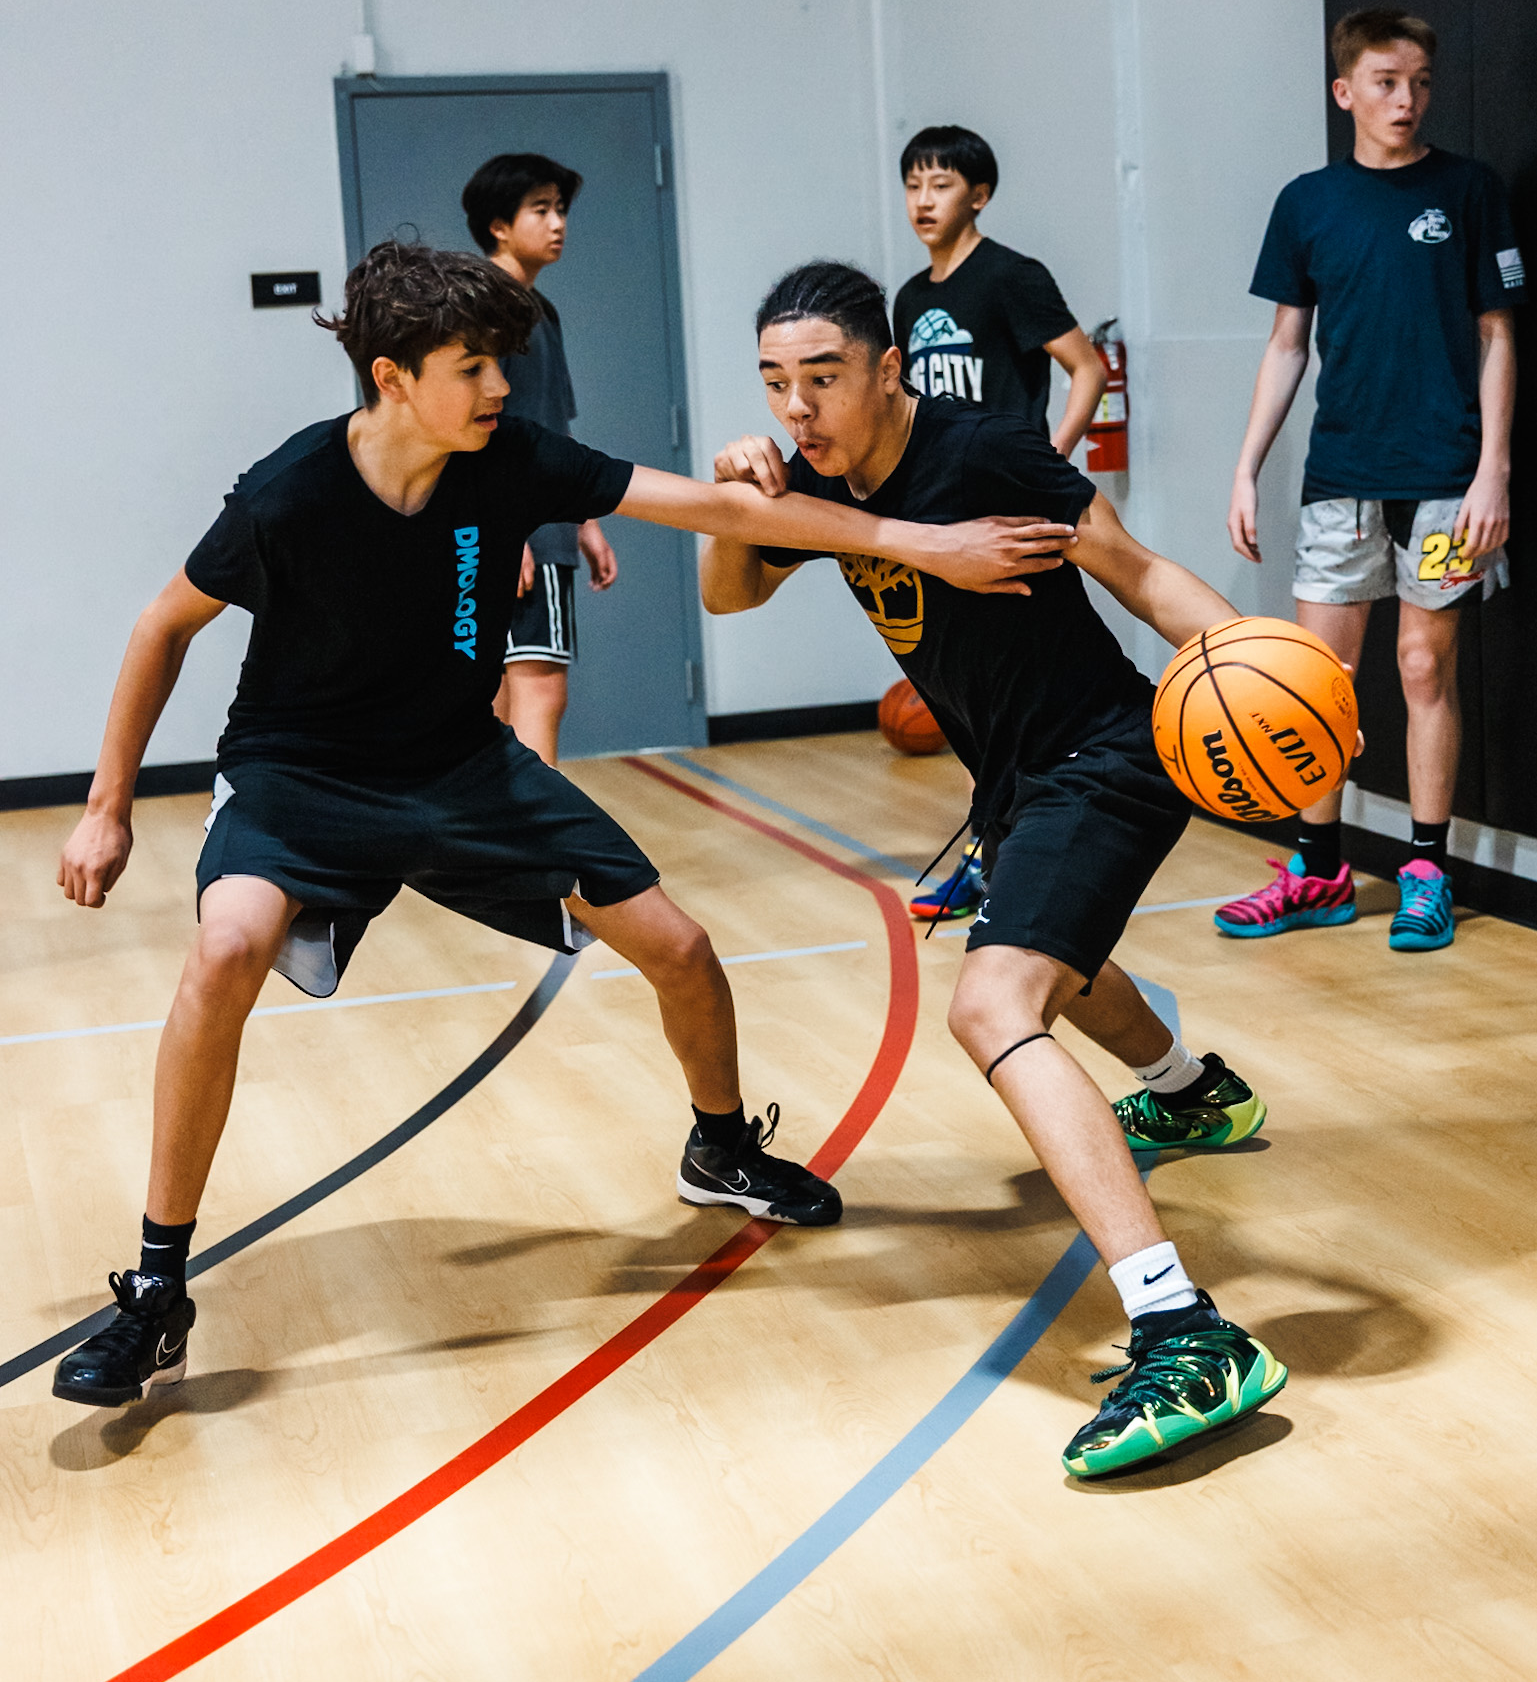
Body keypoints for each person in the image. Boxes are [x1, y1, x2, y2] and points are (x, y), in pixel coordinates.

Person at [50, 241, 1065, 1412]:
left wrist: (916, 540)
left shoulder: (510, 457)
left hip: (460, 767)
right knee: (225, 947)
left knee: (681, 946)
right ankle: (156, 1290)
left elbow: (697, 505)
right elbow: (161, 625)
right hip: (301, 775)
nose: (499, 387)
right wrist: (106, 807)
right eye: (472, 367)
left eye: (501, 363)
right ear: (392, 378)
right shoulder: (290, 492)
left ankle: (721, 1146)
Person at [700, 260, 1288, 1479]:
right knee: (1067, 960)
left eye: (822, 378)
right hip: (1013, 782)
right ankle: (1189, 1091)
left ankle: (1185, 1329)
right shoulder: (812, 473)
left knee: (993, 1002)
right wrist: (734, 498)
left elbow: (1135, 570)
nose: (799, 406)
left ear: (887, 369)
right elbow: (731, 595)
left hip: (1105, 757)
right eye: (775, 383)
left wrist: (1265, 666)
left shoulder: (987, 452)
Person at [1219, 7, 1523, 952]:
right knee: (1322, 683)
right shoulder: (1306, 203)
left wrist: (1492, 471)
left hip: (1444, 481)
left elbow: (1497, 335)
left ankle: (1425, 871)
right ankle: (1318, 872)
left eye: (1420, 82)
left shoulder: (1467, 190)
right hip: (1341, 480)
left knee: (1423, 668)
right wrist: (1245, 468)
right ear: (1344, 90)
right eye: (1387, 82)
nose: (1406, 99)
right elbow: (1285, 346)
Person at [893, 125, 1107, 923]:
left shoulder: (1012, 277)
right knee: (966, 701)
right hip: (939, 525)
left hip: (1008, 516)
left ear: (977, 195)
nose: (923, 200)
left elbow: (1085, 367)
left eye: (940, 184)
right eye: (912, 184)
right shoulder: (910, 299)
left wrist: (1047, 457)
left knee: (1020, 698)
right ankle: (990, 850)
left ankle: (1018, 859)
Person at [462, 150, 614, 764]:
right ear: (499, 225)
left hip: (541, 527)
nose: (558, 223)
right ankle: (539, 822)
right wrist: (504, 529)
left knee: (500, 693)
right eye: (541, 209)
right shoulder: (485, 308)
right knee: (540, 686)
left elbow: (555, 426)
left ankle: (499, 822)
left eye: (561, 209)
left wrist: (586, 520)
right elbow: (468, 429)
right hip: (517, 530)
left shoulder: (540, 310)